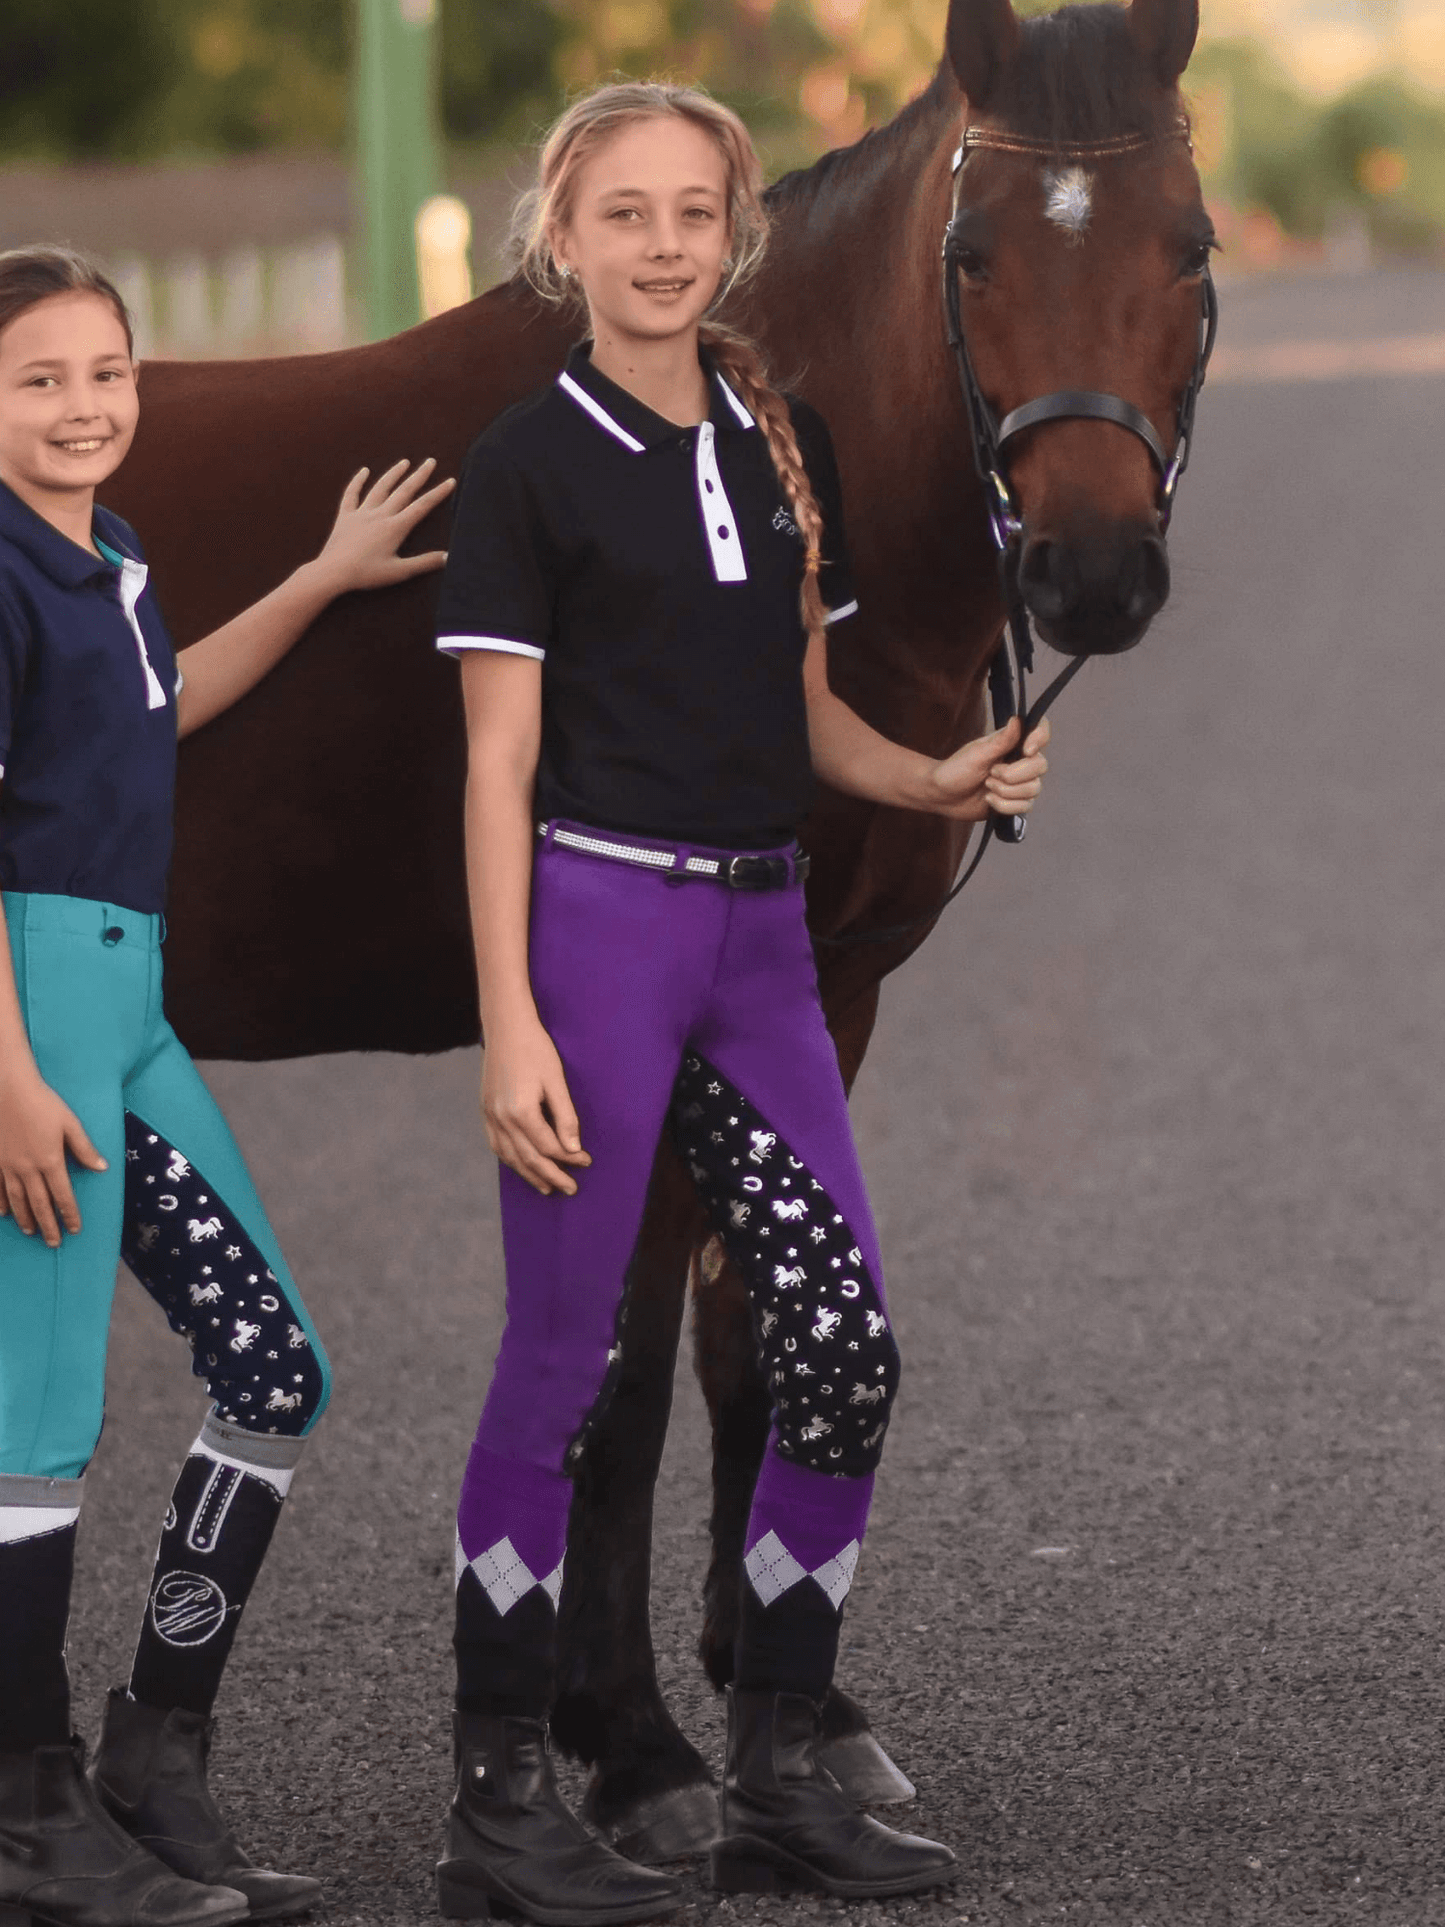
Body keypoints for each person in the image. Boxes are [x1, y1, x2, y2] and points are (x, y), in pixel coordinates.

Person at [433, 82, 1051, 1923]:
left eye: (693, 211)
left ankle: (779, 1753)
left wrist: (935, 781)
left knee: (841, 1341)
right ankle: (500, 1799)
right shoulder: (526, 460)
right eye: (623, 214)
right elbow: (493, 769)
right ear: (565, 237)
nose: (664, 243)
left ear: (734, 232)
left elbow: (799, 715)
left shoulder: (780, 441)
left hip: (763, 945)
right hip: (602, 939)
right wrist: (512, 1023)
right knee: (564, 1366)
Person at [0, 244, 453, 1927]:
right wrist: (7, 1075)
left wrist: (327, 575)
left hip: (125, 998)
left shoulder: (107, 555)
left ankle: (152, 1757)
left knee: (276, 1367)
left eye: (103, 372)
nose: (82, 406)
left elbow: (162, 709)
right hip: (27, 1004)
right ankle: (25, 1813)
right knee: (34, 1425)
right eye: (38, 378)